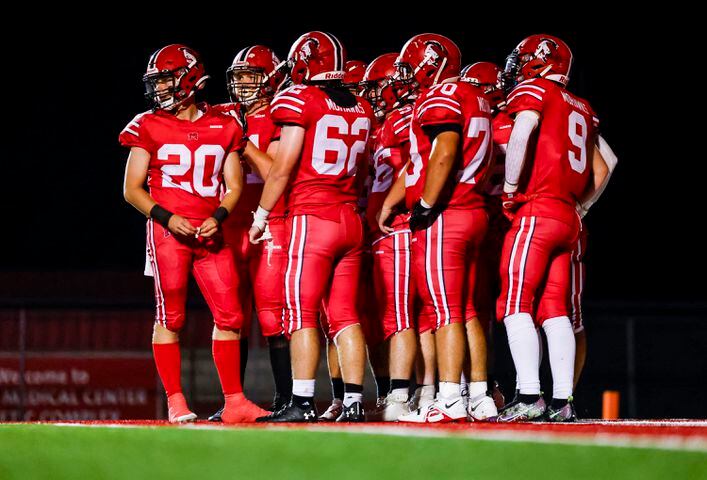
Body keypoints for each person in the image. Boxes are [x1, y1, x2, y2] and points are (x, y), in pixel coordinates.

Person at [120, 44, 269, 423]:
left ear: (189, 78)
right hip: (169, 233)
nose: (160, 90)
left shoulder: (224, 125)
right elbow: (132, 188)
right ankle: (175, 400)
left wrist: (219, 215)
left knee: (231, 315)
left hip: (209, 233)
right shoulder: (147, 123)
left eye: (167, 81)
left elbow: (234, 185)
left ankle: (234, 400)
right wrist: (167, 218)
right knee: (171, 317)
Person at [251, 32, 375, 422]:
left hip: (313, 217)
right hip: (350, 218)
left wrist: (260, 215)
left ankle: (303, 402)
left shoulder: (300, 99)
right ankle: (354, 403)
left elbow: (283, 167)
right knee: (345, 314)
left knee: (300, 312)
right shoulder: (362, 106)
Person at [380, 33, 498, 422]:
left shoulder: (441, 94)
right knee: (465, 310)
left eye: (412, 65)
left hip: (448, 212)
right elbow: (425, 159)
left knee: (443, 310)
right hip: (474, 210)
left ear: (430, 62)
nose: (409, 74)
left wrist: (426, 204)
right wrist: (394, 198)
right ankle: (480, 395)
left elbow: (443, 152)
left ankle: (449, 398)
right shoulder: (474, 95)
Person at [495, 34, 606, 422]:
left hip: (537, 209)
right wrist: (582, 205)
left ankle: (529, 396)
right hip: (568, 215)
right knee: (555, 309)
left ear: (540, 61)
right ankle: (563, 401)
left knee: (513, 303)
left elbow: (523, 132)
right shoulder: (582, 106)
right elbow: (604, 163)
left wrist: (509, 189)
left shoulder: (536, 91)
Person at [208, 45, 292, 422]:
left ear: (271, 78)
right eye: (237, 77)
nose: (242, 84)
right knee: (232, 316)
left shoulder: (282, 113)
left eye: (250, 76)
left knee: (273, 316)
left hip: (268, 223)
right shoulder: (223, 115)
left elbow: (276, 169)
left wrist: (243, 142)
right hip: (230, 224)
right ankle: (234, 400)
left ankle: (287, 401)